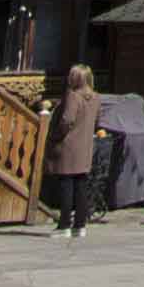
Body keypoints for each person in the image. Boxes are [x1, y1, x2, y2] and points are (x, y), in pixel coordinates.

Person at [48, 64, 107, 239]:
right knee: (81, 186)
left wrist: (56, 135)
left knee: (66, 185)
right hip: (85, 146)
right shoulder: (96, 97)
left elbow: (67, 120)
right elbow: (97, 121)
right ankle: (80, 225)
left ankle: (64, 224)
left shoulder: (73, 96)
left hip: (68, 146)